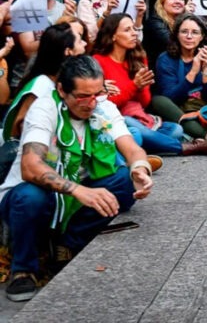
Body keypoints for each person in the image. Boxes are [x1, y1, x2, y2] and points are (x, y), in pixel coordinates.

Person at [0, 56, 153, 302]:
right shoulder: (44, 108)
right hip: (35, 195)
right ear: (62, 90)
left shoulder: (103, 107)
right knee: (30, 196)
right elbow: (30, 167)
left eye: (97, 93)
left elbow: (132, 148)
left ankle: (67, 244)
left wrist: (140, 168)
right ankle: (23, 269)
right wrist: (79, 190)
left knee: (124, 182)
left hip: (75, 195)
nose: (91, 103)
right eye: (83, 96)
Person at [93, 13, 207, 158]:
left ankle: (150, 144)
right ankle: (188, 147)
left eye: (134, 29)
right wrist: (134, 85)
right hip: (118, 118)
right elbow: (104, 105)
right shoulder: (98, 62)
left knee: (176, 130)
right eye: (127, 30)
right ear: (113, 36)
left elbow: (145, 102)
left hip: (143, 117)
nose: (134, 33)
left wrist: (205, 70)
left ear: (202, 36)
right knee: (134, 129)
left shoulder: (138, 57)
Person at [3, 22, 86, 145]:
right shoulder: (41, 86)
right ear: (68, 51)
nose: (85, 44)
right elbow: (22, 130)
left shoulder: (61, 81)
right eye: (79, 41)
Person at [153, 13, 207, 137]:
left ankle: (198, 132)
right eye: (184, 32)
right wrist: (193, 71)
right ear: (177, 35)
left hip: (205, 108)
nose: (189, 36)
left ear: (202, 36)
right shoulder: (165, 59)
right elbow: (171, 98)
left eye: (195, 32)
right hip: (179, 108)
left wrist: (205, 69)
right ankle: (206, 135)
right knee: (158, 101)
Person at [142, 0, 189, 65]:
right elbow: (175, 45)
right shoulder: (155, 22)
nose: (177, 1)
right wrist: (187, 17)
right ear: (162, 2)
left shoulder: (181, 21)